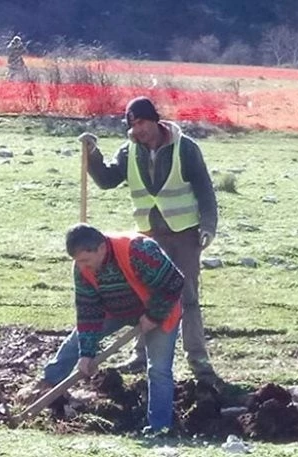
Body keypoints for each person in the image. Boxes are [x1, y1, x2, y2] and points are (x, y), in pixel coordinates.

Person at [78, 96, 221, 387]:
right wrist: (92, 155)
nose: (138, 129)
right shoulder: (128, 151)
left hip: (184, 234)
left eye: (142, 122)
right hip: (147, 238)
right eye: (132, 124)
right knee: (145, 296)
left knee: (188, 297)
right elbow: (107, 180)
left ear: (155, 119)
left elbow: (205, 189)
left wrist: (208, 226)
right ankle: (140, 355)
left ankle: (198, 358)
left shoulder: (185, 148)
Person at [32, 223, 184, 434]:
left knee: (158, 369)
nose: (83, 266)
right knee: (75, 342)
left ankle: (159, 428)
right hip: (115, 310)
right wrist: (86, 354)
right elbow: (88, 311)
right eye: (78, 262)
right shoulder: (82, 268)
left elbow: (175, 282)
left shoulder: (139, 249)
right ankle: (47, 387)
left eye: (85, 260)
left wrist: (153, 315)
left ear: (101, 248)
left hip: (159, 308)